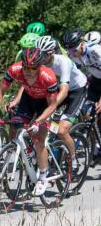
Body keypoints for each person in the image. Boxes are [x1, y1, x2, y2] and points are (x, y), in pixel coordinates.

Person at [0, 47, 60, 195]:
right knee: (15, 126)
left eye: (32, 68)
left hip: (45, 105)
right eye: (25, 66)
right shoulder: (15, 69)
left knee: (40, 141)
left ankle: (43, 177)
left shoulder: (49, 77)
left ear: (39, 67)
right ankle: (29, 153)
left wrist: (37, 122)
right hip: (28, 99)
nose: (27, 71)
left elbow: (53, 105)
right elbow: (0, 91)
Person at [37, 35, 87, 171]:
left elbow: (64, 92)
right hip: (61, 90)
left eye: (42, 54)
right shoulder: (39, 63)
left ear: (52, 52)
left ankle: (73, 158)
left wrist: (51, 107)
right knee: (40, 117)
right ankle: (51, 148)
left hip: (77, 90)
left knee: (62, 130)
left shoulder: (63, 62)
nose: (39, 57)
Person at [62, 29, 101, 112]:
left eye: (73, 50)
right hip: (96, 79)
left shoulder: (95, 50)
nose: (71, 53)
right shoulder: (71, 55)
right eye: (68, 50)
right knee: (87, 110)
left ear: (82, 44)